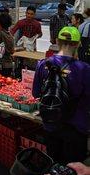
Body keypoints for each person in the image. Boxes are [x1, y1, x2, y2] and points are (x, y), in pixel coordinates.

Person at [32, 26, 90, 164]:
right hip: (75, 127)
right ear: (78, 44)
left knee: (54, 163)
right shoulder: (84, 68)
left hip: (51, 123)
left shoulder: (43, 64)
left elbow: (35, 93)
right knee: (73, 169)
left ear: (57, 41)